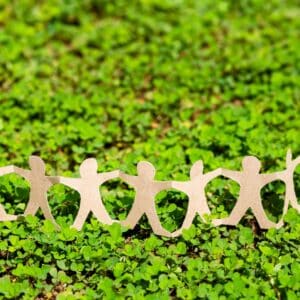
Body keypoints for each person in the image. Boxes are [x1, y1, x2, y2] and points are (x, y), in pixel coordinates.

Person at [213, 155, 290, 229]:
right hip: (246, 200)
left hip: (252, 200)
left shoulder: (254, 177)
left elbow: (275, 175)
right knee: (235, 219)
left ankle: (220, 221)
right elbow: (276, 175)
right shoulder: (247, 176)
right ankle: (219, 221)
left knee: (259, 219)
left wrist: (219, 171)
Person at [58, 158, 119, 230]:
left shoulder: (95, 178)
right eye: (85, 170)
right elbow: (65, 180)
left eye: (89, 170)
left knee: (101, 216)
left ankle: (111, 225)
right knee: (84, 215)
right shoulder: (84, 181)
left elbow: (110, 174)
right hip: (87, 202)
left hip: (94, 202)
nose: (87, 172)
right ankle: (76, 228)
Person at [120, 161, 172, 237]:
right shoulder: (137, 180)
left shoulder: (153, 183)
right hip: (139, 203)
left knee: (152, 217)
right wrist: (119, 174)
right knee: (133, 218)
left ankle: (158, 230)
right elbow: (126, 177)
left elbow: (164, 184)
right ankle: (126, 226)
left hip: (148, 204)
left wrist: (173, 184)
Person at [171, 161, 221, 237]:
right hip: (195, 203)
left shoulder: (201, 179)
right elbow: (175, 184)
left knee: (204, 217)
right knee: (191, 218)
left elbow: (213, 174)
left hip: (200, 203)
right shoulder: (193, 182)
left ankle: (213, 231)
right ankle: (182, 231)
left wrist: (219, 171)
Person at [14, 156, 59, 228]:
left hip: (41, 198)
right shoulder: (30, 174)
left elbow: (58, 179)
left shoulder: (41, 177)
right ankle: (21, 225)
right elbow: (16, 170)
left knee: (46, 214)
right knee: (31, 214)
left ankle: (55, 228)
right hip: (34, 199)